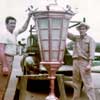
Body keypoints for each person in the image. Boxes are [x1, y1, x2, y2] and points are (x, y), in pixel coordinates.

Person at [67, 23, 96, 100]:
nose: (81, 30)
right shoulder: (76, 38)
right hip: (75, 62)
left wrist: (89, 64)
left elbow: (92, 54)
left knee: (88, 83)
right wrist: (64, 25)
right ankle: (75, 99)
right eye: (80, 29)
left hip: (84, 62)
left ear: (86, 29)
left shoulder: (90, 40)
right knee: (76, 82)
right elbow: (68, 34)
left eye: (83, 29)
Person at [0, 11, 33, 76]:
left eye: (14, 23)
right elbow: (1, 50)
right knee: (3, 82)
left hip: (10, 59)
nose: (13, 25)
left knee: (6, 80)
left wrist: (29, 17)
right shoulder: (4, 34)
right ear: (6, 24)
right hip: (6, 59)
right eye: (11, 23)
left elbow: (23, 28)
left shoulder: (13, 33)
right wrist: (4, 65)